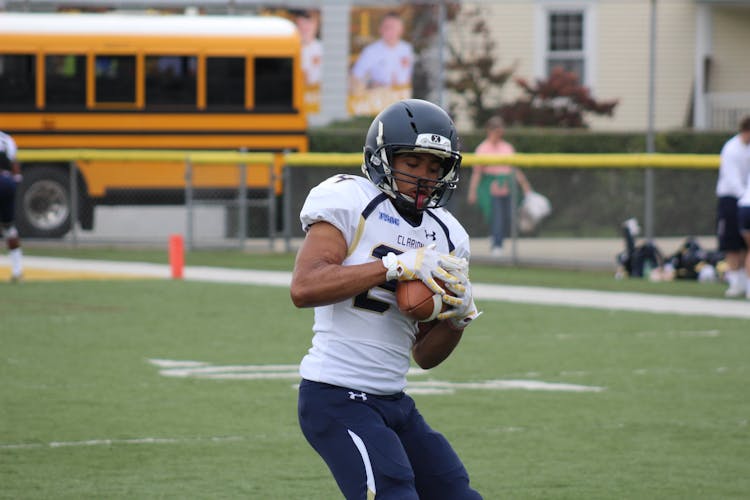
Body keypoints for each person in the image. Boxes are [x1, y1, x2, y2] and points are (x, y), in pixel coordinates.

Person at [290, 99, 482, 499]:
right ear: (382, 157)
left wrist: (457, 319)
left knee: (456, 493)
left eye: (434, 168)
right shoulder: (350, 199)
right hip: (336, 395)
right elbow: (304, 287)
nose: (424, 177)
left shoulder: (447, 234)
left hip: (394, 400)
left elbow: (426, 356)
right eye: (412, 163)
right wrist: (395, 267)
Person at [467, 116, 532, 256]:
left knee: (509, 216)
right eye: (495, 130)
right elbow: (477, 173)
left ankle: (498, 238)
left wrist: (525, 185)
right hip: (490, 188)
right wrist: (472, 191)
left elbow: (514, 169)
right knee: (496, 216)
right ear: (489, 130)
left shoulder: (507, 147)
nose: (498, 133)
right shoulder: (483, 148)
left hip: (507, 186)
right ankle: (497, 244)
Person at [715, 116, 750, 297]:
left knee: (745, 244)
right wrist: (745, 196)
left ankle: (745, 281)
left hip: (745, 200)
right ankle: (735, 281)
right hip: (730, 198)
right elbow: (732, 179)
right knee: (731, 242)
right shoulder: (731, 148)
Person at [350, 11, 414, 92]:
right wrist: (370, 85)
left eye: (394, 27)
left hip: (404, 97)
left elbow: (409, 76)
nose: (390, 31)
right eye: (387, 27)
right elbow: (355, 76)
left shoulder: (407, 48)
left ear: (401, 30)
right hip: (380, 98)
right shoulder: (370, 51)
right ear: (380, 29)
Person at [0, 130, 23, 282]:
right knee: (9, 227)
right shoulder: (7, 139)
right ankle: (17, 270)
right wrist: (15, 182)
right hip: (7, 182)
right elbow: (14, 165)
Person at [293, 9, 323, 88]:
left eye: (309, 21)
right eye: (301, 22)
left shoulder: (325, 50)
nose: (304, 26)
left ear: (317, 23)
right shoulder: (289, 49)